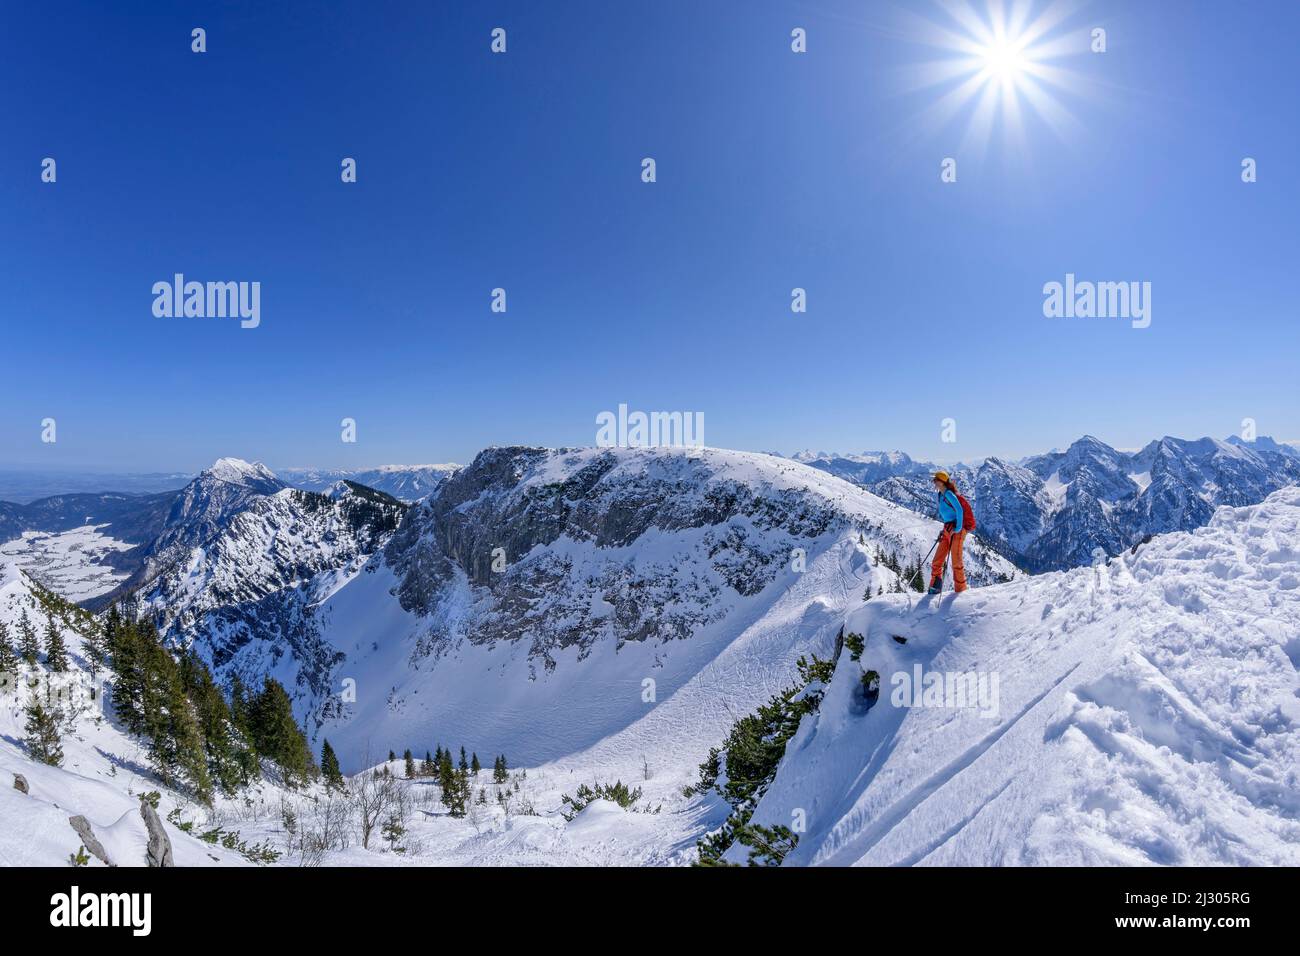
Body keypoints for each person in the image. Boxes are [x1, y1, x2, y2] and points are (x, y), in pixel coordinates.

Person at [929, 471, 967, 595]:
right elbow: (948, 515)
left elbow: (959, 510)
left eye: (935, 480)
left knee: (956, 562)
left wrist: (958, 528)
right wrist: (945, 529)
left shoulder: (949, 494)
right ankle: (935, 588)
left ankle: (961, 592)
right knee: (937, 561)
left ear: (941, 481)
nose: (933, 482)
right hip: (947, 529)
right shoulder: (941, 495)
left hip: (956, 531)